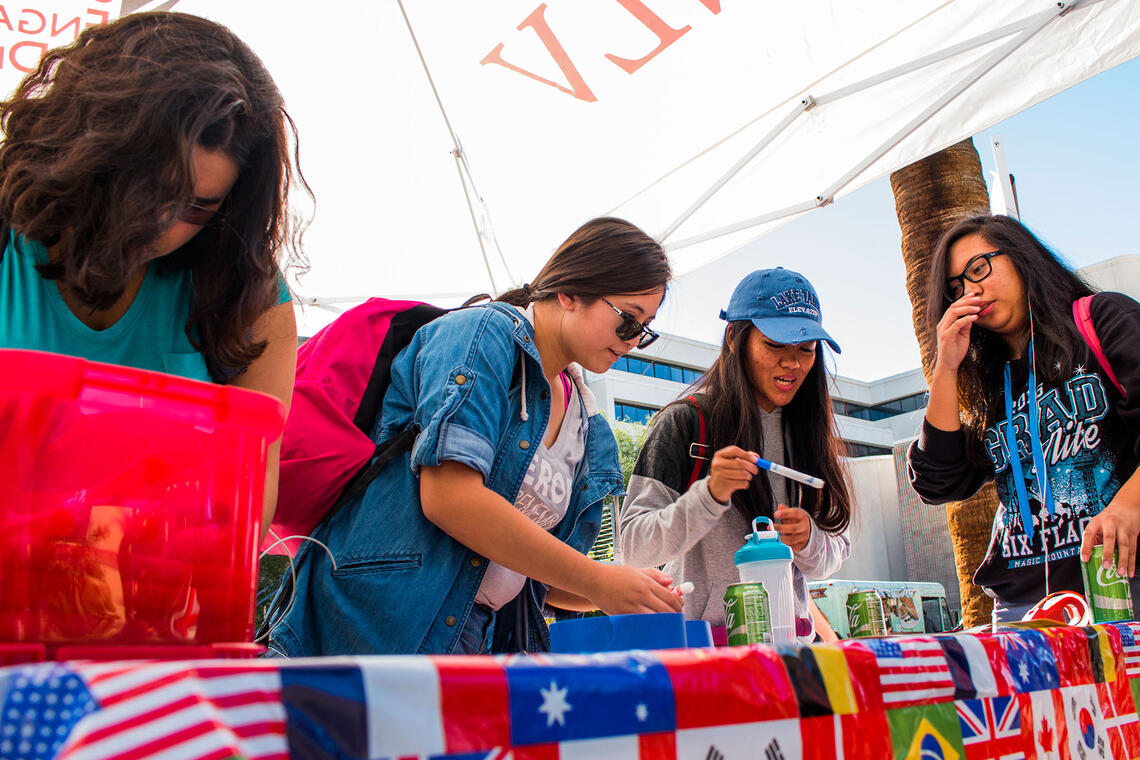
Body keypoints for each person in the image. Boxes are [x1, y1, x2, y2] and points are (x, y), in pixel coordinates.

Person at [268, 217, 683, 656]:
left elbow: (544, 580)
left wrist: (631, 589)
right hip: (374, 625)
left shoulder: (587, 422)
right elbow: (450, 497)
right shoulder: (482, 334)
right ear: (570, 292)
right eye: (628, 321)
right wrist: (597, 580)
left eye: (645, 331)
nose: (633, 341)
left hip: (476, 641)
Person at [0, 13, 302, 533]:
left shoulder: (247, 299)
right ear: (82, 146)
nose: (160, 224)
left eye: (196, 208)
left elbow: (242, 518)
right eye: (148, 189)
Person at [907, 214, 1140, 622]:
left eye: (979, 269)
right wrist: (945, 367)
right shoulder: (988, 383)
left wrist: (1131, 503)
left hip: (1119, 584)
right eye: (956, 288)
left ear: (1020, 257)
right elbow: (937, 480)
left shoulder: (1101, 321)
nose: (971, 291)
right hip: (1021, 611)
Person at [618, 268, 852, 642]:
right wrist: (709, 497)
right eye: (775, 345)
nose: (792, 363)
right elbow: (632, 547)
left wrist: (809, 539)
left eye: (806, 349)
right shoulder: (686, 423)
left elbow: (836, 549)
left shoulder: (812, 432)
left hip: (794, 654)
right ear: (734, 338)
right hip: (707, 655)